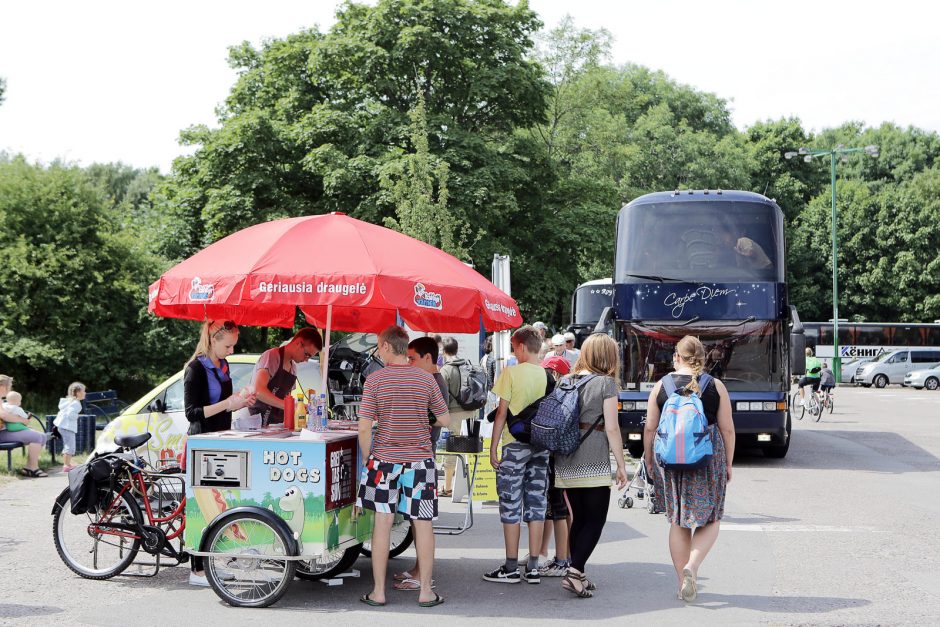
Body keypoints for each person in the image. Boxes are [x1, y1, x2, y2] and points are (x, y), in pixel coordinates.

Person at [357, 325, 450, 608]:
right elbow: (445, 420)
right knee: (422, 524)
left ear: (386, 346)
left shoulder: (374, 381)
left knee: (382, 523)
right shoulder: (426, 380)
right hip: (420, 462)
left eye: (377, 345)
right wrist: (423, 422)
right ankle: (425, 592)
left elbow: (364, 428)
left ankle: (379, 592)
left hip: (384, 462)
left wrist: (366, 458)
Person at [643, 336, 734, 603]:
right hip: (707, 459)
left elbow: (650, 427)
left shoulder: (662, 385)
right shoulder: (715, 386)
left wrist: (649, 459)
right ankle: (692, 566)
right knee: (711, 516)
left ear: (677, 357)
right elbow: (727, 429)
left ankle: (681, 582)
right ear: (702, 357)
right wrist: (728, 462)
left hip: (670, 461)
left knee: (678, 519)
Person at [553, 334, 628, 597]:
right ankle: (573, 573)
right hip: (593, 458)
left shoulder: (564, 380)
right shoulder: (605, 383)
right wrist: (620, 465)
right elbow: (611, 427)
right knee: (595, 521)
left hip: (565, 459)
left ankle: (578, 571)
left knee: (579, 519)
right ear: (608, 356)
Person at [183, 319, 255, 586]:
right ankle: (197, 569)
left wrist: (237, 402)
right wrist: (227, 403)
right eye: (228, 345)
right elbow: (192, 413)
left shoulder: (223, 366)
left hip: (220, 441)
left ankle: (212, 561)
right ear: (213, 340)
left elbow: (222, 406)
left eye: (234, 345)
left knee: (219, 505)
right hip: (202, 442)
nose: (232, 351)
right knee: (203, 505)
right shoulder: (195, 369)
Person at [485, 325, 551, 585]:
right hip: (541, 446)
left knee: (510, 502)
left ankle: (511, 567)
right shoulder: (547, 376)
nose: (514, 351)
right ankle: (533, 566)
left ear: (521, 347)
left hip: (514, 446)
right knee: (537, 503)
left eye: (514, 347)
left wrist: (492, 447)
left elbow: (501, 413)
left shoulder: (510, 373)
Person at [394, 336, 450, 592]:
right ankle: (419, 569)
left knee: (421, 519)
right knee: (417, 519)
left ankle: (423, 577)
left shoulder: (433, 382)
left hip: (422, 455)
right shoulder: (431, 381)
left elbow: (441, 418)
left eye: (413, 359)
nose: (409, 363)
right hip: (421, 454)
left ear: (428, 358)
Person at [536, 354, 572, 578]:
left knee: (559, 509)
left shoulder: (557, 395)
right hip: (564, 456)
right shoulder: (569, 394)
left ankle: (562, 559)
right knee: (555, 507)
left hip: (556, 457)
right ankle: (550, 553)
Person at [250, 327, 322, 425]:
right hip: (257, 422)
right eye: (307, 355)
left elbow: (287, 397)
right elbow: (258, 391)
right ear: (299, 343)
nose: (306, 360)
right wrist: (288, 405)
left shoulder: (293, 368)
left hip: (276, 424)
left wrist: (299, 406)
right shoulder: (272, 356)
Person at [439, 337, 478, 497]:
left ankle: (448, 488)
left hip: (453, 414)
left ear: (443, 350)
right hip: (471, 413)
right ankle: (472, 486)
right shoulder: (468, 365)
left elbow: (441, 396)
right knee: (469, 450)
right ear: (456, 349)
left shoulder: (446, 370)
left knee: (452, 450)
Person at [0, 375, 47, 477]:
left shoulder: (1, 400)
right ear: (2, 386)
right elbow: (3, 415)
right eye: (9, 386)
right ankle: (33, 468)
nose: (10, 388)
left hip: (4, 431)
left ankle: (29, 467)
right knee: (37, 437)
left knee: (42, 436)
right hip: (1, 434)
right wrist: (23, 420)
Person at [53, 382, 86, 473]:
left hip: (62, 426)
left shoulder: (68, 401)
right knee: (70, 446)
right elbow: (70, 414)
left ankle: (67, 464)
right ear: (78, 392)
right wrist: (77, 416)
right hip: (67, 427)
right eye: (84, 391)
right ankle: (66, 466)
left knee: (68, 445)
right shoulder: (76, 403)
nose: (85, 393)